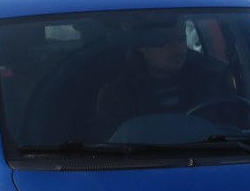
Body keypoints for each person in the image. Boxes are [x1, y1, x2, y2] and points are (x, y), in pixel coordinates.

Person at [94, 21, 228, 137]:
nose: (178, 49)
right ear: (143, 46)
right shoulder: (117, 96)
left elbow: (232, 129)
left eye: (181, 39)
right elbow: (110, 149)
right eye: (166, 42)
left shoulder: (209, 82)